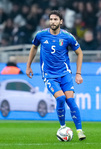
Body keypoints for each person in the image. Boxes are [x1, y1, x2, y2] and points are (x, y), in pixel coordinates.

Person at [26, 10, 86, 141]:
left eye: (55, 19)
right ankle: (63, 127)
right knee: (60, 99)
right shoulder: (41, 35)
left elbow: (80, 53)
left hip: (65, 74)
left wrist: (78, 74)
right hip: (49, 75)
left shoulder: (67, 37)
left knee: (70, 100)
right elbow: (34, 48)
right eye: (51, 19)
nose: (52, 22)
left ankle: (80, 131)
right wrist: (28, 66)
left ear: (61, 21)